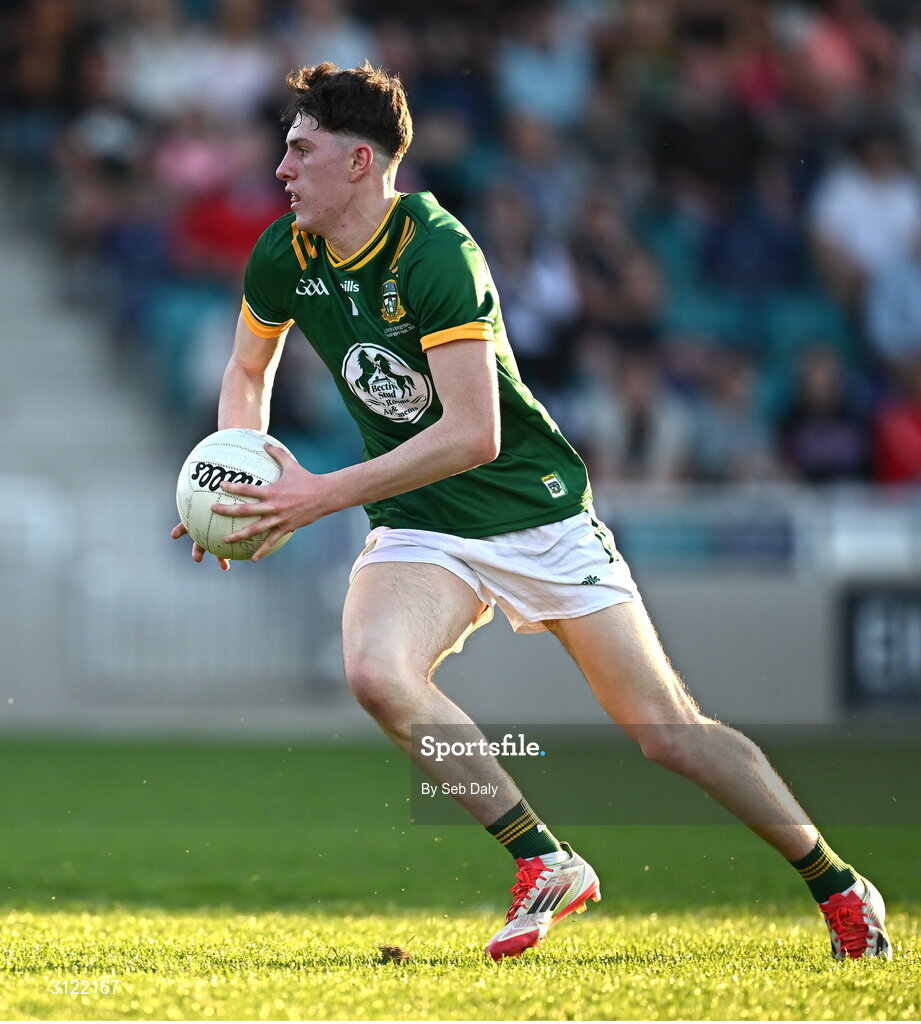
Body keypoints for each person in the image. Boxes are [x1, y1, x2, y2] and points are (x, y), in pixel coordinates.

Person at [171, 62, 891, 962]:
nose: (279, 169)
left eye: (300, 150)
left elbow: (472, 435)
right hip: (422, 522)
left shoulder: (436, 251)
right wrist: (235, 479)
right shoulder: (286, 253)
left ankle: (836, 883)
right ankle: (542, 860)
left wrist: (317, 494)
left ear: (360, 162)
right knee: (374, 672)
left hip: (534, 512)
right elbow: (247, 371)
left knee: (667, 733)